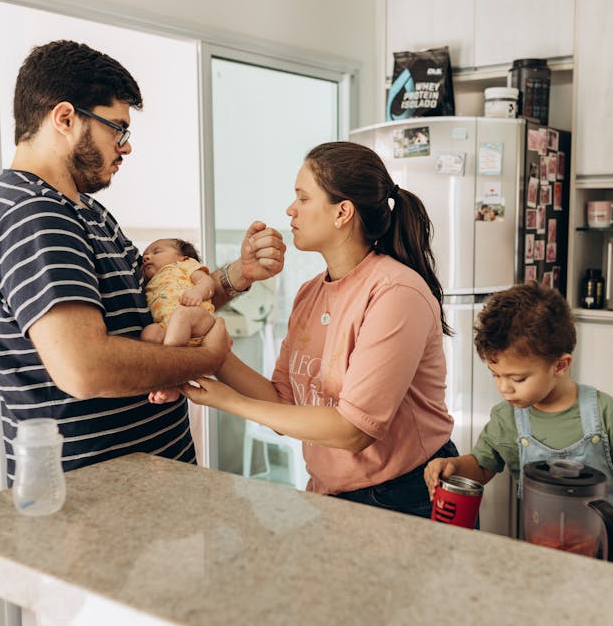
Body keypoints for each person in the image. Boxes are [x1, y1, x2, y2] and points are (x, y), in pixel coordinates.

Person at [0, 40, 286, 482]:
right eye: (117, 130)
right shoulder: (35, 217)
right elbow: (86, 369)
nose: (126, 147)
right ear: (64, 118)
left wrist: (235, 277)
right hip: (96, 499)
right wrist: (206, 359)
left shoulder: (85, 210)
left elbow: (158, 302)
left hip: (147, 480)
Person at [183, 141, 456, 518]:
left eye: (303, 198)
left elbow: (353, 430)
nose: (290, 209)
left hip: (405, 494)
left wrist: (229, 402)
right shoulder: (310, 293)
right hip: (332, 493)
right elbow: (283, 404)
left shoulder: (396, 293)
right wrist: (212, 352)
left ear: (342, 212)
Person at [423, 281, 613, 575]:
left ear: (560, 365)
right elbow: (481, 466)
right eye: (496, 375)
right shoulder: (507, 419)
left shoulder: (606, 414)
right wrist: (452, 465)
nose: (505, 388)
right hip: (542, 559)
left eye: (517, 379)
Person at [140, 238, 217, 404]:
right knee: (150, 332)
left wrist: (198, 291)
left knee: (181, 314)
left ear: (182, 257)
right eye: (144, 256)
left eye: (156, 251)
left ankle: (171, 379)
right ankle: (159, 380)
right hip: (170, 331)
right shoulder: (149, 283)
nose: (146, 257)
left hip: (198, 320)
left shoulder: (184, 265)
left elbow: (207, 281)